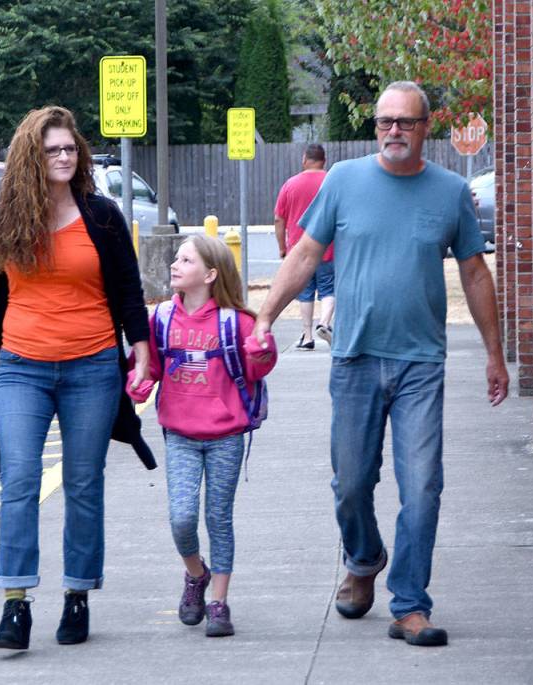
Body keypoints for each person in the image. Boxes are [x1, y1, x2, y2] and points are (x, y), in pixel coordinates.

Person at [253, 81, 509, 647]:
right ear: (376, 128)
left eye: (406, 122)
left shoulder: (449, 192)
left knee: (422, 488)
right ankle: (364, 557)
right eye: (385, 121)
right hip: (355, 359)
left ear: (425, 129)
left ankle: (411, 603)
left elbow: (474, 273)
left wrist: (495, 354)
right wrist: (265, 317)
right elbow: (305, 252)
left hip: (420, 363)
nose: (394, 131)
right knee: (350, 485)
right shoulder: (343, 181)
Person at [0, 106, 156, 650]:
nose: (63, 157)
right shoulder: (7, 222)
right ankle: (15, 605)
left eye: (69, 149)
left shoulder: (102, 217)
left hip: (92, 367)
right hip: (19, 368)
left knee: (84, 484)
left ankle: (77, 595)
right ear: (29, 158)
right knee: (19, 481)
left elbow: (129, 294)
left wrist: (142, 354)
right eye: (51, 150)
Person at [127, 235, 278, 638]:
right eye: (176, 259)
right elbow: (148, 368)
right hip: (179, 434)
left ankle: (219, 602)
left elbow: (258, 368)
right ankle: (196, 574)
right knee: (181, 518)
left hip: (226, 435)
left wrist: (261, 352)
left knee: (218, 517)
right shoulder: (159, 319)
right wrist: (138, 383)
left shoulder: (236, 322)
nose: (175, 265)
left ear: (211, 274)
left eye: (186, 260)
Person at [273, 143, 333, 350]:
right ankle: (324, 323)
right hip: (329, 248)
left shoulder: (290, 184)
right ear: (324, 161)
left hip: (300, 250)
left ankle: (307, 336)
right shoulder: (332, 181)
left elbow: (279, 219)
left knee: (305, 292)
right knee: (328, 289)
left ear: (304, 159)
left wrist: (282, 247)